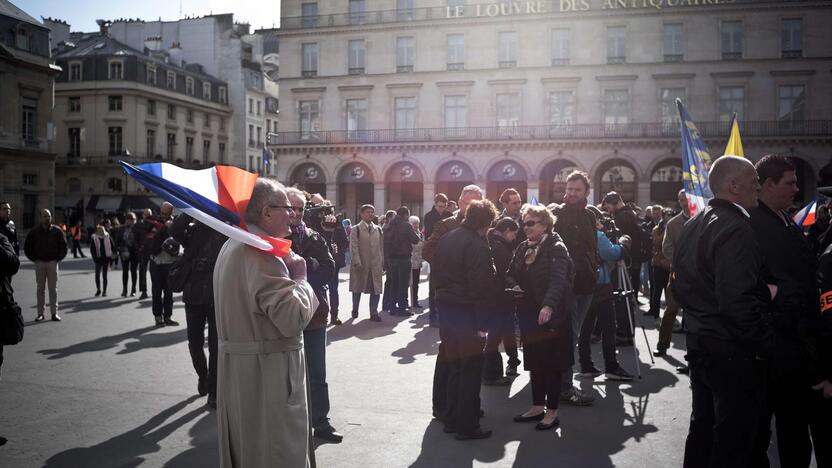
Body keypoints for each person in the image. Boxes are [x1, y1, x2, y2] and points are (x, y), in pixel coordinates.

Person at [673, 156, 776, 468]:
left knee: (702, 429)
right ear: (733, 185)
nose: (759, 185)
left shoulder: (693, 224)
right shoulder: (736, 227)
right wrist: (768, 344)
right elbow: (736, 301)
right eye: (754, 179)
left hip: (701, 342)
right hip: (731, 351)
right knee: (732, 440)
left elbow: (679, 290)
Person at [213, 178, 318, 468]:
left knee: (249, 451)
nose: (293, 215)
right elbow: (292, 318)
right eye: (287, 208)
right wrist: (301, 277)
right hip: (267, 375)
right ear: (267, 212)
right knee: (274, 452)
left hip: (242, 372)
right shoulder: (259, 252)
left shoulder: (232, 244)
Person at [749, 155, 829, 467]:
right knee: (787, 430)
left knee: (795, 432)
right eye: (790, 182)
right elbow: (778, 285)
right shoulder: (757, 225)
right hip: (784, 347)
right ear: (767, 185)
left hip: (800, 344)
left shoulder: (783, 219)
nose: (797, 189)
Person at [433, 199, 499, 440]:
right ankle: (466, 426)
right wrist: (482, 324)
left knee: (455, 367)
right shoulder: (478, 244)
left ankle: (452, 419)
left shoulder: (448, 237)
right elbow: (480, 287)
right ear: (488, 222)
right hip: (468, 313)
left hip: (447, 309)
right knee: (470, 370)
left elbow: (437, 275)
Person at [507, 205, 574, 431]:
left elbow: (559, 280)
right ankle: (537, 407)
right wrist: (513, 285)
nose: (525, 228)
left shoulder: (557, 247)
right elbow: (509, 273)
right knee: (535, 362)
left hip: (552, 316)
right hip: (528, 315)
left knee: (552, 365)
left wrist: (548, 304)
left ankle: (552, 412)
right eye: (524, 223)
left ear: (545, 224)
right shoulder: (523, 247)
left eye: (530, 223)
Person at [285, 188, 342, 443]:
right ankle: (289, 425)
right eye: (291, 208)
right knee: (286, 376)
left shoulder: (314, 236)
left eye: (300, 208)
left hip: (315, 315)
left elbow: (329, 270)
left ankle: (321, 422)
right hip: (282, 316)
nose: (296, 213)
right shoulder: (272, 239)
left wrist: (300, 270)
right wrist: (310, 266)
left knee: (317, 374)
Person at [423, 185, 483, 420]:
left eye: (476, 204)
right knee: (449, 353)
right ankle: (442, 406)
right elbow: (428, 250)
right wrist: (453, 265)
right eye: (468, 203)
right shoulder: (447, 225)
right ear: (459, 204)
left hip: (470, 299)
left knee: (466, 357)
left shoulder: (483, 227)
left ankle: (464, 405)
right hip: (450, 296)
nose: (471, 208)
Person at [169, 214, 227, 409]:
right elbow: (175, 231)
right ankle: (203, 376)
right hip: (193, 295)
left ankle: (213, 390)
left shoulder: (224, 231)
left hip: (216, 295)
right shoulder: (192, 231)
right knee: (194, 344)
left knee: (215, 346)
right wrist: (189, 210)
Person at [551, 171, 598, 405]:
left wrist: (592, 268)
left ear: (586, 192)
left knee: (575, 335)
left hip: (586, 284)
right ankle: (565, 388)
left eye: (576, 190)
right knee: (567, 337)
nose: (571, 193)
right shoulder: (555, 214)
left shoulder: (590, 216)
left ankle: (562, 384)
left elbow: (592, 248)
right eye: (569, 189)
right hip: (564, 286)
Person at [577, 208, 634, 381]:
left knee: (585, 328)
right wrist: (624, 243)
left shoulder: (575, 234)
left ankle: (586, 365)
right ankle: (611, 366)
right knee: (609, 327)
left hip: (582, 285)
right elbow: (613, 253)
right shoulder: (597, 235)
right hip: (600, 285)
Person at [483, 217, 521, 385]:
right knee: (496, 334)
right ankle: (491, 373)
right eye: (514, 233)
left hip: (499, 297)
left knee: (505, 330)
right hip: (501, 297)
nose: (514, 237)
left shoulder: (495, 244)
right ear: (506, 231)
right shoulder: (500, 249)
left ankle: (512, 360)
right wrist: (516, 286)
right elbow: (506, 274)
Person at [654, 189, 689, 360]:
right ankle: (662, 344)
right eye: (681, 199)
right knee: (671, 309)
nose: (684, 202)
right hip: (678, 274)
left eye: (686, 199)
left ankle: (693, 352)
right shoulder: (673, 224)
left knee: (693, 314)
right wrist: (681, 263)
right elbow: (667, 247)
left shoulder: (704, 219)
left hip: (700, 277)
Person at [24, 209, 68, 322]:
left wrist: (57, 259)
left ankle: (54, 313)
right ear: (40, 218)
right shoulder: (34, 232)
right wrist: (35, 260)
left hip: (53, 262)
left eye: (48, 216)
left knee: (53, 289)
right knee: (40, 289)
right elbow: (27, 247)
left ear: (51, 217)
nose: (47, 218)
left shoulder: (57, 231)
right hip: (40, 263)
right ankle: (40, 313)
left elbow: (64, 246)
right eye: (44, 216)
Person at [349, 204, 385, 322]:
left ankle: (373, 313)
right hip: (361, 264)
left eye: (372, 212)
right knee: (357, 288)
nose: (370, 214)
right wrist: (357, 262)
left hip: (375, 264)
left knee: (376, 289)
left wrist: (382, 262)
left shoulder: (378, 229)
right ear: (362, 214)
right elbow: (353, 247)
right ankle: (355, 309)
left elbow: (381, 247)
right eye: (368, 212)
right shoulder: (356, 229)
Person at [423, 193, 452, 326]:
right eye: (440, 206)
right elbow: (429, 235)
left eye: (444, 206)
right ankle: (432, 316)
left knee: (446, 285)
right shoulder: (428, 217)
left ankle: (444, 314)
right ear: (435, 204)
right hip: (435, 253)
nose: (442, 208)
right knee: (433, 285)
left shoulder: (448, 216)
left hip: (448, 253)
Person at [385, 206, 420, 316]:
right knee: (403, 284)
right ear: (405, 214)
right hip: (403, 258)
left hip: (391, 258)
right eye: (408, 214)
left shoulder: (390, 224)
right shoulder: (406, 225)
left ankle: (392, 307)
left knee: (394, 283)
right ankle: (402, 308)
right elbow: (415, 240)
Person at [148, 202, 178, 326]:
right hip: (156, 262)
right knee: (156, 291)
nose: (164, 215)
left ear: (172, 212)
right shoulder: (153, 223)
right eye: (162, 212)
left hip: (169, 262)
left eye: (167, 213)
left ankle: (168, 317)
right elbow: (152, 244)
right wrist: (164, 228)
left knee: (169, 291)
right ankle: (158, 317)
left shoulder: (175, 223)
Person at [647, 208, 671, 323]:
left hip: (671, 265)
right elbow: (656, 243)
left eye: (671, 215)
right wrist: (667, 230)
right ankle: (656, 315)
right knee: (657, 290)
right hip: (658, 263)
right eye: (667, 215)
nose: (669, 217)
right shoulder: (657, 229)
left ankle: (669, 316)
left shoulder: (674, 228)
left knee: (670, 291)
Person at [133, 209, 156, 299]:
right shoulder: (138, 225)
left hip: (153, 251)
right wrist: (138, 247)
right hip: (143, 251)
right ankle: (144, 291)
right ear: (142, 215)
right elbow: (134, 237)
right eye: (145, 214)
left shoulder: (155, 223)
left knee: (154, 272)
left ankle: (155, 290)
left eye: (149, 214)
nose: (147, 216)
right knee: (142, 272)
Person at [116, 212, 139, 297]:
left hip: (134, 252)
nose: (130, 221)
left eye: (132, 220)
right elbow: (118, 239)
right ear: (126, 220)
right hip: (124, 251)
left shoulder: (137, 228)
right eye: (129, 220)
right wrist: (115, 250)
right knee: (125, 271)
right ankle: (124, 289)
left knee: (133, 271)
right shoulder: (122, 228)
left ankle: (133, 289)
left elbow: (140, 239)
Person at [89, 224, 115, 296]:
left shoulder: (108, 237)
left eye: (103, 230)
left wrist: (114, 255)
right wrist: (95, 258)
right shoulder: (94, 239)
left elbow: (113, 247)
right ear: (97, 232)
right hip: (98, 259)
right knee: (97, 275)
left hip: (106, 258)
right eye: (100, 231)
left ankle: (104, 291)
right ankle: (98, 289)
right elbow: (92, 250)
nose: (102, 232)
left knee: (104, 276)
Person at [409, 216, 424, 309]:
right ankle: (405, 301)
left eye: (417, 223)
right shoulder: (408, 235)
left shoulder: (420, 234)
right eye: (414, 223)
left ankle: (415, 301)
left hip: (417, 261)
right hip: (409, 261)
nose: (416, 225)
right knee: (408, 283)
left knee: (415, 283)